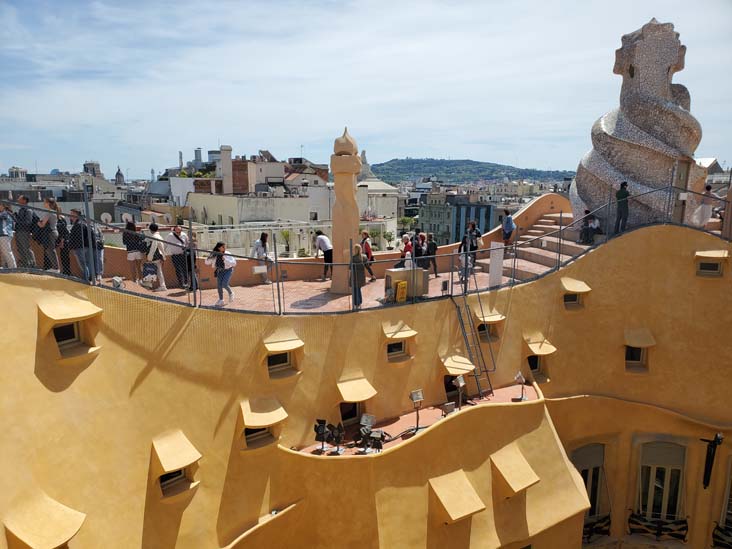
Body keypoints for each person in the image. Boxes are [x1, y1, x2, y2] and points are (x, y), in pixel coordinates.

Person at [205, 241, 236, 307]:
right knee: (219, 285)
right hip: (220, 270)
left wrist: (225, 259)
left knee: (224, 284)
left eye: (225, 246)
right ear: (219, 248)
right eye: (223, 247)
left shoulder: (227, 253)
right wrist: (210, 257)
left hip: (228, 270)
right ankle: (221, 300)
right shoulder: (215, 254)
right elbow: (207, 263)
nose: (225, 248)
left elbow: (234, 263)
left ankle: (231, 293)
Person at [67, 209, 94, 281]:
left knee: (83, 264)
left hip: (80, 247)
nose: (70, 216)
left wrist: (72, 247)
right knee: (87, 263)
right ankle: (90, 278)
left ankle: (86, 279)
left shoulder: (78, 224)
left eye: (71, 214)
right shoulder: (84, 223)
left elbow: (77, 237)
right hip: (87, 246)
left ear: (75, 215)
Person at [36, 197, 60, 272]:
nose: (43, 203)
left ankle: (56, 268)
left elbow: (42, 225)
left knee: (50, 250)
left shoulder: (49, 212)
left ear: (48, 203)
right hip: (53, 232)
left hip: (50, 232)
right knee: (49, 250)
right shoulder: (52, 212)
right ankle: (55, 267)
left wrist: (38, 222)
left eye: (44, 202)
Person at [13, 195, 37, 268]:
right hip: (18, 231)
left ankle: (33, 265)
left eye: (19, 199)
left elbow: (28, 222)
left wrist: (17, 220)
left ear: (24, 201)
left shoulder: (28, 210)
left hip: (24, 232)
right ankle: (25, 264)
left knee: (26, 248)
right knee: (20, 248)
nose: (17, 200)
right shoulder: (21, 209)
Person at [146, 223, 167, 291]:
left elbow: (153, 248)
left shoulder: (154, 237)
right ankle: (162, 285)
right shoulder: (159, 236)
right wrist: (163, 257)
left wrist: (149, 257)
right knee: (158, 271)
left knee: (151, 269)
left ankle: (149, 285)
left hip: (155, 256)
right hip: (159, 256)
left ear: (151, 229)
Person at [350, 243, 367, 310]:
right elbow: (367, 265)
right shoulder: (364, 257)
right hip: (361, 276)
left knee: (355, 289)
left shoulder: (353, 258)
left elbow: (349, 267)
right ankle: (359, 302)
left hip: (355, 275)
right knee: (358, 289)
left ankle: (356, 303)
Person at [0, 203, 17, 268]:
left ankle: (13, 267)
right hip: (4, 234)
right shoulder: (6, 213)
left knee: (7, 251)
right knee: (3, 252)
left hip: (5, 234)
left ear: (4, 206)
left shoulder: (6, 213)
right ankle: (4, 266)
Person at [56, 210, 71, 276]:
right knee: (64, 257)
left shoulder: (61, 219)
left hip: (64, 240)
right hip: (62, 240)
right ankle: (66, 271)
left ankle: (66, 272)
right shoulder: (60, 219)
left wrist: (62, 242)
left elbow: (63, 232)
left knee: (65, 257)